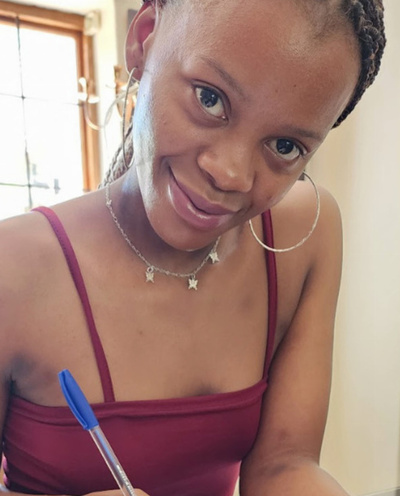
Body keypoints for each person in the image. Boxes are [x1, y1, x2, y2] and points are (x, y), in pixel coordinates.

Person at [0, 0, 386, 495]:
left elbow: (284, 463)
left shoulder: (301, 238)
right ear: (144, 36)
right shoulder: (13, 266)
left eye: (285, 147)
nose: (230, 173)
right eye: (209, 98)